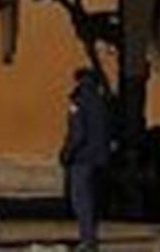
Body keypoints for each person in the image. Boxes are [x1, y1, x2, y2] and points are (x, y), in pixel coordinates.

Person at [60, 67, 114, 249]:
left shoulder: (78, 103)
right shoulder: (103, 103)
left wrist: (66, 153)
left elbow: (78, 134)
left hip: (82, 159)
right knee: (94, 201)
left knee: (81, 201)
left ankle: (88, 240)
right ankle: (91, 237)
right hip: (101, 159)